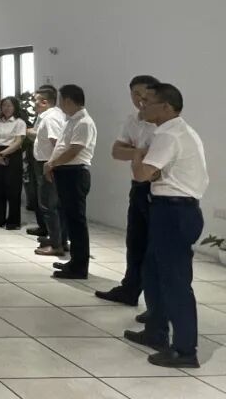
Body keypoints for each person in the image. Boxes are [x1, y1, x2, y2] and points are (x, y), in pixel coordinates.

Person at [123, 83, 207, 369]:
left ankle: (185, 350)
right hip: (169, 209)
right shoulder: (175, 131)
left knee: (175, 281)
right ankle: (156, 332)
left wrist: (137, 155)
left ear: (167, 107)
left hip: (175, 211)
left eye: (148, 101)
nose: (142, 104)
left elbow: (143, 173)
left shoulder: (170, 135)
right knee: (152, 271)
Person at [96, 75, 160, 307]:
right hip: (138, 186)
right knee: (135, 241)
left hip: (158, 189)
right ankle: (130, 289)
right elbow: (116, 151)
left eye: (145, 94)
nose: (140, 99)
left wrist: (133, 151)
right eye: (135, 94)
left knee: (155, 247)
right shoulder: (132, 120)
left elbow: (155, 160)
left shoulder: (161, 123)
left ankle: (157, 306)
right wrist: (139, 152)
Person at [46, 85, 97, 280]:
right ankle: (74, 261)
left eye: (60, 100)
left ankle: (79, 266)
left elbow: (74, 150)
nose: (59, 105)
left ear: (68, 101)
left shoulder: (84, 122)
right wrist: (53, 165)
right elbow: (63, 146)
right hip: (65, 172)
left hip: (75, 174)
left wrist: (52, 163)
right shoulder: (72, 120)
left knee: (77, 222)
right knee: (70, 219)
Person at [29, 86, 68, 257]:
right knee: (56, 206)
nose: (34, 104)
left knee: (49, 206)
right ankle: (59, 239)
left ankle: (56, 244)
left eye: (36, 101)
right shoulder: (54, 115)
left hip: (48, 164)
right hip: (49, 163)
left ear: (44, 102)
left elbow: (57, 144)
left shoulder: (50, 118)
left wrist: (51, 165)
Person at [0, 96, 26, 230]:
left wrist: (3, 154)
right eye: (4, 105)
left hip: (13, 155)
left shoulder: (19, 122)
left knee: (13, 189)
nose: (6, 108)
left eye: (9, 105)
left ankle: (13, 221)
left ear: (15, 107)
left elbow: (18, 142)